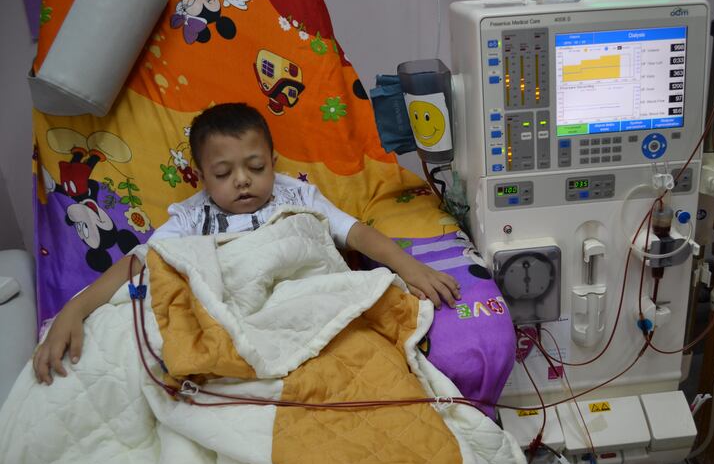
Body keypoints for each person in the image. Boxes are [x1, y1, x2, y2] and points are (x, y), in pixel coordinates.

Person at [34, 103, 460, 385]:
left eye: (255, 167)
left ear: (272, 163)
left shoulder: (297, 196)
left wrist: (406, 265)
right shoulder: (190, 217)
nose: (241, 180)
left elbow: (354, 233)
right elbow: (141, 261)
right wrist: (76, 308)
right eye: (223, 173)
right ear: (202, 176)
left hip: (301, 296)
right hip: (233, 316)